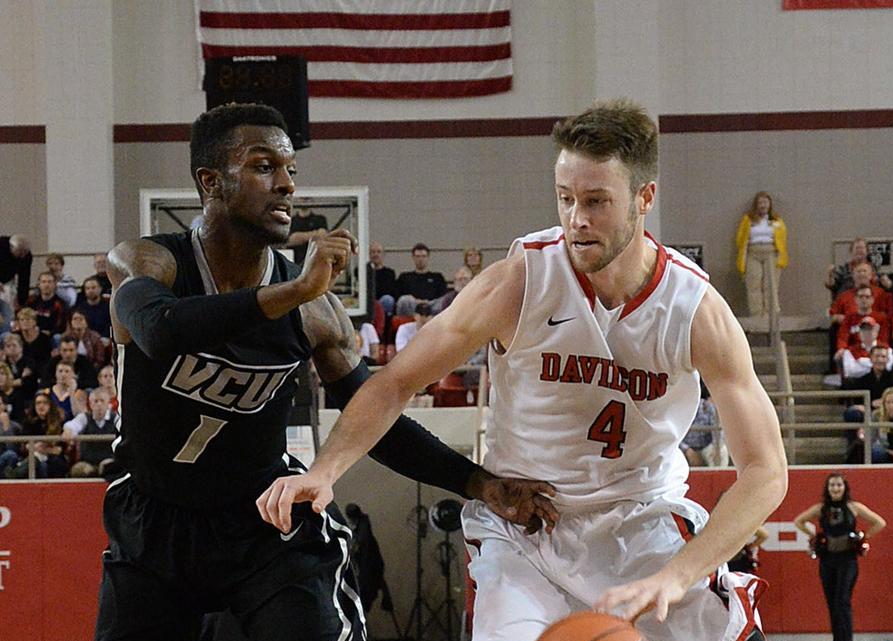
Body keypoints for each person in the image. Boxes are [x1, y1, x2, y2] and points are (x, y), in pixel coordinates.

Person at [257, 98, 788, 641]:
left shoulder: (694, 309)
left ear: (644, 197)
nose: (577, 219)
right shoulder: (520, 281)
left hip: (643, 523)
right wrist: (323, 472)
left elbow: (766, 471)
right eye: (565, 198)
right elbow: (394, 383)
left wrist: (677, 575)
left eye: (597, 201)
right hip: (526, 529)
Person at [95, 103, 555, 641]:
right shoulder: (148, 262)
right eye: (264, 166)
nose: (287, 184)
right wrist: (292, 291)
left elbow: (373, 417)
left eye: (291, 170)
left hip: (264, 518)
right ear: (211, 181)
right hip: (153, 519)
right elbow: (159, 329)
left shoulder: (316, 313)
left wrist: (479, 482)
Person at [792, 474, 886, 641]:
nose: (835, 488)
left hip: (847, 560)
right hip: (827, 560)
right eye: (832, 485)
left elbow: (879, 522)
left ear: (845, 487)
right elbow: (799, 521)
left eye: (839, 485)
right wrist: (814, 536)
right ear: (827, 489)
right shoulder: (821, 509)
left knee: (842, 600)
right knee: (832, 603)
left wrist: (863, 537)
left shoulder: (854, 507)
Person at [734, 191, 788, 317]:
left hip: (771, 253)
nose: (763, 205)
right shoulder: (748, 220)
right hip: (753, 253)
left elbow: (783, 238)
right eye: (760, 203)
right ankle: (757, 315)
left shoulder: (777, 220)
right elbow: (740, 238)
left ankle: (771, 316)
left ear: (770, 204)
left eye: (765, 202)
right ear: (756, 205)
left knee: (771, 285)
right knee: (753, 284)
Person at [62, 386, 119, 477]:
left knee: (111, 467)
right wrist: (68, 431)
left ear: (108, 403)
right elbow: (72, 425)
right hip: (87, 463)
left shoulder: (116, 418)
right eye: (96, 401)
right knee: (78, 470)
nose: (99, 404)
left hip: (109, 461)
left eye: (102, 401)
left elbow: (123, 428)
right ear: (91, 404)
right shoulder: (84, 417)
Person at [394, 243, 449, 316]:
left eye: (423, 256)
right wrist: (415, 301)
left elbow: (443, 296)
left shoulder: (438, 277)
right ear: (413, 258)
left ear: (428, 257)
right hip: (412, 308)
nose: (420, 259)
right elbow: (398, 297)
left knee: (443, 301)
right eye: (418, 256)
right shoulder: (404, 277)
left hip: (431, 307)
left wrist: (427, 302)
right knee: (404, 299)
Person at [25, 270, 69, 336]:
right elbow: (24, 318)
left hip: (50, 335)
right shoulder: (31, 301)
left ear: (55, 284)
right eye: (43, 282)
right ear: (39, 284)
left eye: (49, 282)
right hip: (32, 333)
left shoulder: (61, 304)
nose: (46, 285)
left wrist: (50, 332)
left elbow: (61, 326)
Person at [366, 241, 398, 319]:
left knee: (388, 299)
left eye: (378, 252)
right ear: (369, 254)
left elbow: (390, 292)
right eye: (373, 252)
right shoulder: (362, 272)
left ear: (383, 255)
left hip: (383, 303)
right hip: (367, 302)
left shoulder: (389, 273)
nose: (376, 254)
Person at [0, 234, 33, 308]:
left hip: (7, 281)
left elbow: (24, 279)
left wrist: (22, 301)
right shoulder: (2, 246)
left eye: (25, 252)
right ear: (11, 247)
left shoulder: (27, 257)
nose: (22, 255)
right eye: (20, 252)